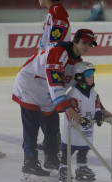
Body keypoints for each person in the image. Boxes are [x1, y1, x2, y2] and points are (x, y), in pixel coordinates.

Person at [12, 29, 98, 181]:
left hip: (48, 92)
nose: (87, 46)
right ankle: (29, 161)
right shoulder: (58, 52)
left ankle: (51, 160)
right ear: (75, 41)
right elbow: (55, 81)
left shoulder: (78, 62)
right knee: (31, 126)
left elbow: (71, 85)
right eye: (84, 42)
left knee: (52, 126)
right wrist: (67, 106)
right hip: (30, 86)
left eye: (90, 44)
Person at [58, 62, 112, 182]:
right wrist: (79, 118)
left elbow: (97, 105)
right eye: (89, 76)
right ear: (80, 77)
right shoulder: (73, 93)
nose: (92, 78)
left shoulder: (93, 92)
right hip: (74, 128)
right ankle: (63, 167)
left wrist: (99, 114)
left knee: (85, 148)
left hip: (87, 128)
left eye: (92, 76)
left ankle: (81, 167)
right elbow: (72, 110)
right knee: (69, 149)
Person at [36, 0, 72, 152]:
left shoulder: (57, 11)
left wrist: (47, 61)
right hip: (48, 62)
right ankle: (51, 140)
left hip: (51, 63)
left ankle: (53, 140)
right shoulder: (54, 10)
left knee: (49, 103)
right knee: (45, 103)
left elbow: (56, 43)